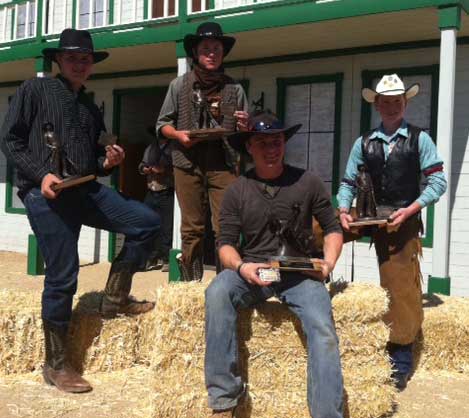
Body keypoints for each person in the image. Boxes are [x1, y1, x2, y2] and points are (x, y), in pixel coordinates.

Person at [0, 29, 160, 393]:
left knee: (147, 222)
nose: (79, 63)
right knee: (63, 273)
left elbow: (94, 162)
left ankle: (114, 298)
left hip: (84, 189)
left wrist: (110, 161)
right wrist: (41, 175)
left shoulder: (89, 106)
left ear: (92, 64)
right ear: (58, 60)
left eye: (85, 58)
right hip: (46, 195)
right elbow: (9, 140)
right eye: (72, 57)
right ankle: (56, 364)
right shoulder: (34, 90)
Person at [204, 111, 344, 418]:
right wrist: (241, 268)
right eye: (262, 142)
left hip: (299, 273)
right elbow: (224, 244)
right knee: (217, 292)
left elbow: (333, 228)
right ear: (250, 147)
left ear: (284, 143)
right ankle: (224, 401)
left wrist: (328, 263)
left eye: (277, 141)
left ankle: (326, 413)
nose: (271, 148)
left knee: (322, 326)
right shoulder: (236, 190)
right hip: (253, 270)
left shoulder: (308, 182)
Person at [337, 74, 447, 390]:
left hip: (403, 217)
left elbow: (437, 182)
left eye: (396, 101)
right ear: (377, 104)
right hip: (369, 215)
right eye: (385, 101)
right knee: (320, 228)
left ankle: (399, 360)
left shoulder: (419, 139)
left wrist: (410, 209)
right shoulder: (364, 141)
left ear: (405, 103)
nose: (390, 106)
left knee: (398, 286)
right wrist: (344, 210)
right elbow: (346, 183)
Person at [156, 21, 249, 281]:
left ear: (223, 53)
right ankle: (191, 286)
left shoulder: (236, 89)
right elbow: (162, 124)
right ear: (196, 53)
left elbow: (244, 135)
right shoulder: (179, 85)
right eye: (206, 48)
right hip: (187, 162)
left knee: (226, 227)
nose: (211, 53)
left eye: (216, 48)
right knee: (192, 228)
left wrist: (245, 126)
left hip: (224, 163)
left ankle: (226, 284)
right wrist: (178, 135)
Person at [139, 128, 174, 272]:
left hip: (166, 191)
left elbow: (178, 170)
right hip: (151, 191)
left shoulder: (173, 149)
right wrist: (144, 169)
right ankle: (151, 258)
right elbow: (141, 166)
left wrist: (163, 170)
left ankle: (166, 259)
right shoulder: (150, 148)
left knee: (166, 228)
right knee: (147, 224)